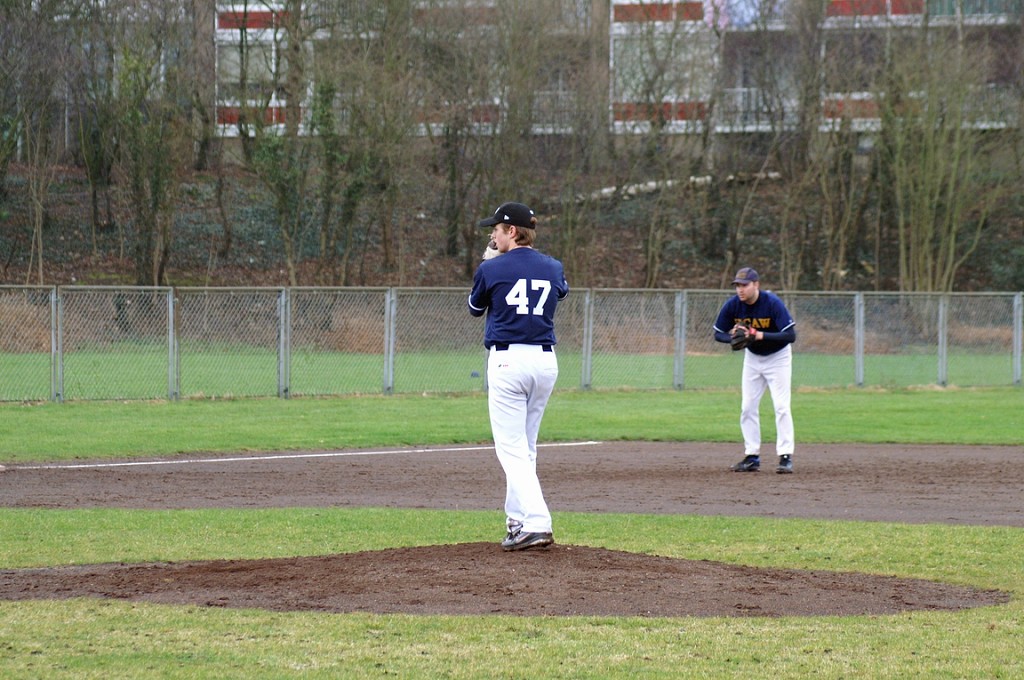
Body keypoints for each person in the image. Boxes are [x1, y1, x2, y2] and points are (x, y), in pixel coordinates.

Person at [467, 201, 569, 551]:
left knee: (511, 450)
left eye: (496, 230)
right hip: (544, 361)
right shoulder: (553, 266)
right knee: (525, 447)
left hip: (509, 361)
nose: (493, 236)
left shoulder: (491, 268)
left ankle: (537, 522)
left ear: (512, 231)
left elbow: (474, 308)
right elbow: (560, 291)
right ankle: (518, 521)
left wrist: (489, 264)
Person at [713, 267, 797, 474]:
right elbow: (718, 334)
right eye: (737, 286)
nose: (740, 290)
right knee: (748, 407)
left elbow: (790, 336)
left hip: (778, 358)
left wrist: (759, 335)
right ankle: (752, 456)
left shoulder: (772, 303)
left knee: (781, 406)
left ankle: (785, 456)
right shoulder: (733, 305)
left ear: (756, 285)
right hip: (752, 358)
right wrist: (732, 336)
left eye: (744, 285)